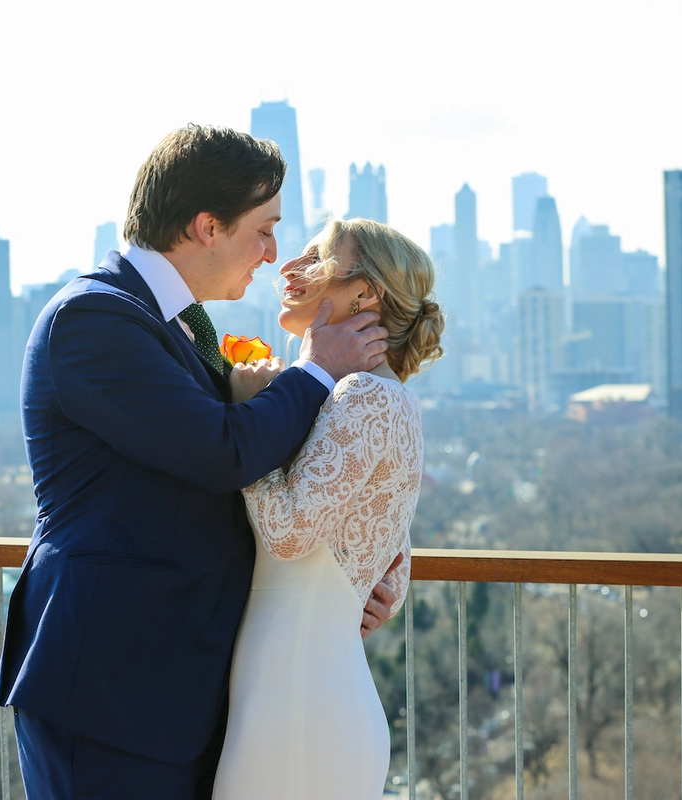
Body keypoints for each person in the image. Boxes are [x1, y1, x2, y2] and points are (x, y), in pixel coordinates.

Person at [0, 125, 407, 800]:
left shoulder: (177, 325)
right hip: (108, 691)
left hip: (186, 690)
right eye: (264, 231)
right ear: (208, 226)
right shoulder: (93, 319)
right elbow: (223, 452)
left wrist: (349, 577)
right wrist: (315, 370)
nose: (272, 255)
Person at [213, 218, 444, 799]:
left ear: (365, 294)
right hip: (301, 697)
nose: (288, 267)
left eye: (316, 257)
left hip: (297, 707)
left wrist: (247, 418)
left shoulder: (363, 396)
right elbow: (383, 537)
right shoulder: (382, 397)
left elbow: (289, 534)